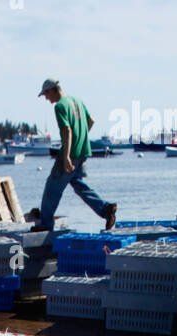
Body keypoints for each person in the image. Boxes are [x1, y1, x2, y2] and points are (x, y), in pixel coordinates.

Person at [35, 79, 117, 232]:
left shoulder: (60, 106)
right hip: (83, 152)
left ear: (53, 90)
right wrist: (82, 136)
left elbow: (67, 130)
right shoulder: (77, 101)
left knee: (52, 188)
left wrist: (66, 156)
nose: (47, 99)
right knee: (80, 186)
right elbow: (90, 120)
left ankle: (45, 224)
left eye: (46, 94)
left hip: (70, 153)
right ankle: (106, 210)